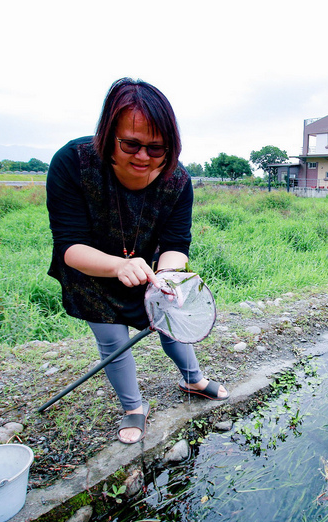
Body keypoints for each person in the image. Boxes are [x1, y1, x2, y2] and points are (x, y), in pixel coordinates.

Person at [46, 78, 228, 445]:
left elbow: (177, 243)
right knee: (113, 341)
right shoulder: (72, 163)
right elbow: (69, 244)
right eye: (131, 144)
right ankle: (133, 408)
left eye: (156, 148)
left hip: (151, 269)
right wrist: (116, 266)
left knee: (171, 320)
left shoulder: (177, 180)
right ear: (108, 134)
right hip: (91, 266)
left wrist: (168, 276)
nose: (143, 157)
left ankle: (192, 379)